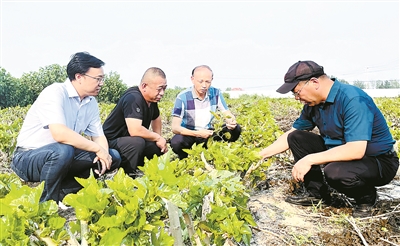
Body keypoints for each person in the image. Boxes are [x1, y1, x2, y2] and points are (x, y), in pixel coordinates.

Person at [259, 60, 399, 217]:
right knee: (296, 137)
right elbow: (291, 134)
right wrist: (260, 155)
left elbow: (355, 150)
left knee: (335, 172)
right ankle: (316, 193)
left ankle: (366, 198)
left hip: (377, 161)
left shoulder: (353, 99)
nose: (296, 98)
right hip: (340, 153)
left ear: (314, 82)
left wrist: (309, 159)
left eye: (297, 92)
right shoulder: (313, 104)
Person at [11, 52, 121, 203]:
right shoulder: (55, 92)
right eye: (98, 79)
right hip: (27, 157)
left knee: (112, 156)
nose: (101, 83)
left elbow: (98, 136)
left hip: (62, 156)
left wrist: (104, 153)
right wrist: (97, 149)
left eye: (102, 79)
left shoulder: (91, 102)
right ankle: (46, 203)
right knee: (64, 150)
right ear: (79, 77)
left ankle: (63, 192)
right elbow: (60, 134)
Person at [103, 67, 168, 177]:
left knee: (155, 147)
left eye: (164, 89)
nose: (162, 93)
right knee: (137, 142)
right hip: (110, 142)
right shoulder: (133, 98)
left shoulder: (152, 99)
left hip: (128, 140)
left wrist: (158, 137)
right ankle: (128, 174)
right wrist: (158, 138)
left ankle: (141, 167)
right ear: (144, 86)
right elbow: (135, 130)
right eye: (159, 89)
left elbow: (156, 117)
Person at [170, 65, 241, 159]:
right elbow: (175, 128)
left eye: (207, 82)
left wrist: (231, 121)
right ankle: (185, 158)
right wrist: (198, 133)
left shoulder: (216, 93)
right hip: (190, 133)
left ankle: (220, 153)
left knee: (236, 129)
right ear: (192, 79)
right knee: (177, 142)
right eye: (200, 81)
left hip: (208, 132)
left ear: (212, 80)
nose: (204, 85)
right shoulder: (182, 97)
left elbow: (226, 112)